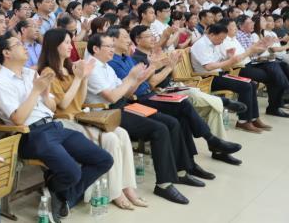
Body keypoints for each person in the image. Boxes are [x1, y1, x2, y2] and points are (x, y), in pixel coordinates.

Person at [0, 32, 113, 222]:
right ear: (6, 53)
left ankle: (62, 196)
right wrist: (36, 91)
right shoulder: (1, 83)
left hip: (53, 126)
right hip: (30, 135)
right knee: (72, 172)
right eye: (18, 44)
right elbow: (18, 119)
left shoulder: (31, 74)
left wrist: (45, 94)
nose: (24, 46)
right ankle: (58, 191)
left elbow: (53, 107)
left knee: (103, 159)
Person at [87, 32, 201, 204]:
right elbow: (112, 97)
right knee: (159, 129)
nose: (111, 49)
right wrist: (131, 78)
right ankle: (163, 184)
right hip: (107, 113)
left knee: (172, 122)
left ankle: (181, 171)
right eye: (108, 46)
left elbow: (127, 93)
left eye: (112, 46)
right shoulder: (92, 68)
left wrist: (139, 78)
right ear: (95, 49)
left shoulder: (106, 67)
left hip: (123, 106)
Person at [40, 28, 145, 210]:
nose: (70, 46)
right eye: (66, 42)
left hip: (79, 117)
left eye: (70, 42)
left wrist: (84, 79)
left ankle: (128, 188)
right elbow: (63, 104)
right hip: (64, 122)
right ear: (54, 46)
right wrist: (78, 78)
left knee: (122, 134)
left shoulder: (69, 68)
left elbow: (79, 100)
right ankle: (114, 192)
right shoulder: (48, 71)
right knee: (111, 139)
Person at [109, 26, 241, 168]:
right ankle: (208, 141)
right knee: (185, 105)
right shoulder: (131, 59)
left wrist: (164, 64)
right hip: (144, 97)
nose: (128, 41)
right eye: (125, 37)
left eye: (153, 35)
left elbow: (148, 80)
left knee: (207, 109)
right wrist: (164, 66)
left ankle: (199, 159)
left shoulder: (129, 58)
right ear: (137, 40)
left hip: (156, 91)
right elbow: (145, 85)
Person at [233, 16, 289, 117]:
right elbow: (248, 54)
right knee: (274, 74)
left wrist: (264, 47)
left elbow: (254, 54)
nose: (253, 24)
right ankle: (276, 104)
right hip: (243, 66)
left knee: (277, 66)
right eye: (249, 23)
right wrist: (264, 48)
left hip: (253, 62)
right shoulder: (240, 36)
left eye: (252, 22)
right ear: (241, 26)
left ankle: (277, 103)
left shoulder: (249, 35)